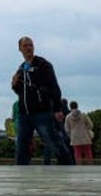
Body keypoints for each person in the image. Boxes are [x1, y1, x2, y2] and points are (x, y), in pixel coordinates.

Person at [11, 36, 72, 165]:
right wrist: (15, 85)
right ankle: (21, 173)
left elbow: (53, 85)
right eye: (25, 46)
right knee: (21, 146)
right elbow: (21, 92)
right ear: (20, 49)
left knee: (53, 141)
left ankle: (67, 166)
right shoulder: (21, 69)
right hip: (24, 114)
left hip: (42, 112)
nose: (28, 48)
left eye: (30, 45)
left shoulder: (43, 64)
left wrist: (57, 108)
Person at [64, 100, 95, 165]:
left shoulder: (68, 117)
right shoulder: (83, 115)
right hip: (85, 136)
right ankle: (90, 167)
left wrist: (70, 135)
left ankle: (79, 168)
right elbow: (91, 125)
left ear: (70, 107)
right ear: (77, 106)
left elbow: (66, 129)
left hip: (74, 138)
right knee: (88, 153)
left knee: (77, 154)